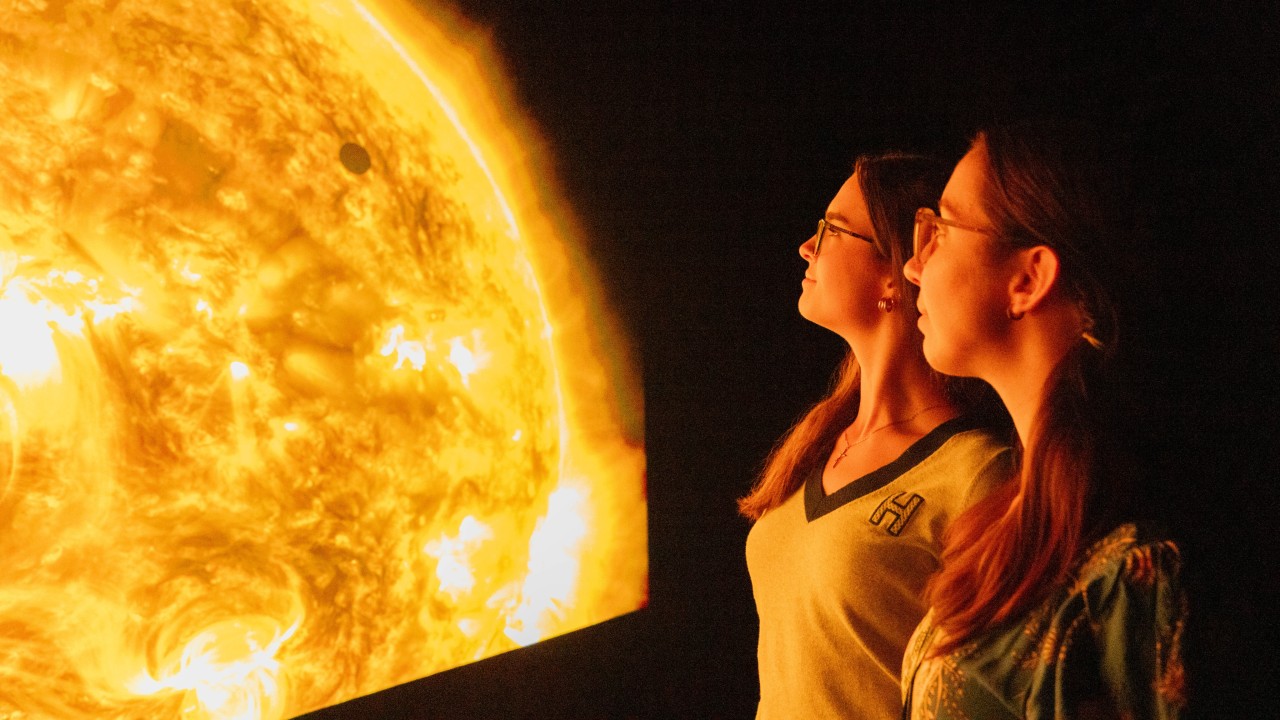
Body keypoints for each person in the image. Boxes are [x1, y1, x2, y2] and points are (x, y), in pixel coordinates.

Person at [900, 121, 1187, 719]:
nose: (912, 267)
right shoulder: (1003, 520)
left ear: (1027, 280)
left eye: (941, 230)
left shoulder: (1131, 570)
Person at [740, 152, 1012, 720]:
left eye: (831, 230)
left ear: (896, 270)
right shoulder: (819, 441)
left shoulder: (976, 472)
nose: (807, 247)